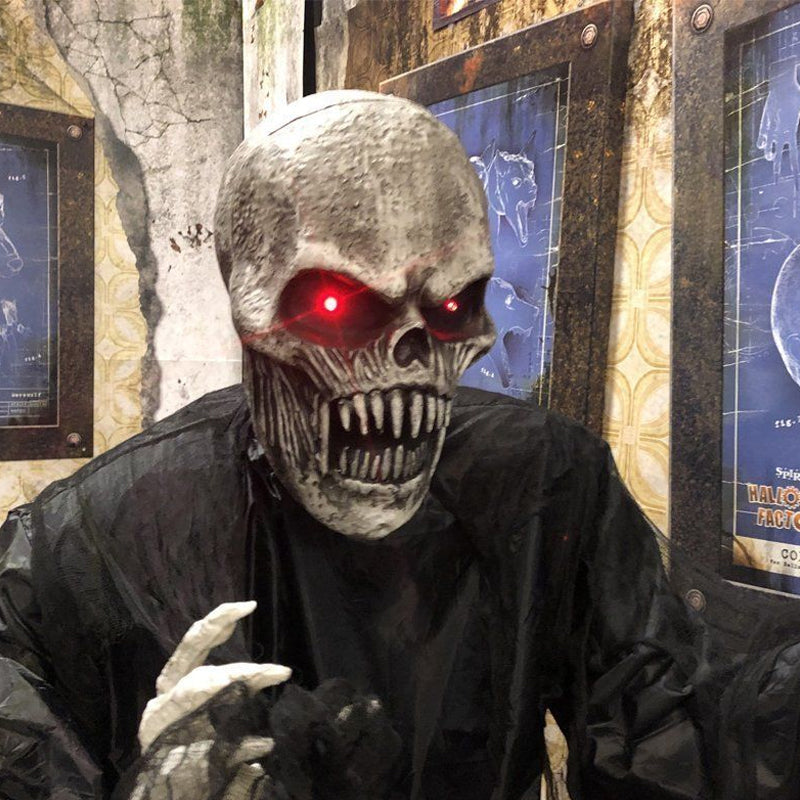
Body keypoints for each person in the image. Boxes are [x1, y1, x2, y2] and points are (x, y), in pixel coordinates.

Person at [1, 90, 799, 800]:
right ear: (251, 320)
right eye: (336, 305)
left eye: (452, 308)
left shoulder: (543, 481)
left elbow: (673, 733)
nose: (411, 353)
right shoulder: (95, 537)